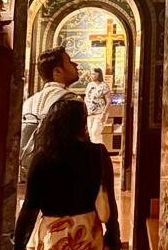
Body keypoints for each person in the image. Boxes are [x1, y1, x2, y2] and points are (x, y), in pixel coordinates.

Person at [14, 98, 121, 250]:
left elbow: (30, 207)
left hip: (53, 234)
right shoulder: (98, 153)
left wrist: (19, 245)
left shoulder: (43, 157)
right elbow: (110, 199)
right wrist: (114, 237)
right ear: (81, 123)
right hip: (87, 233)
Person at [19, 48, 80, 181]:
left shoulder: (28, 102)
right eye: (70, 62)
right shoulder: (72, 101)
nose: (76, 65)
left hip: (31, 175)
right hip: (60, 176)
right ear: (57, 71)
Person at [84, 68, 110, 145]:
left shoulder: (104, 86)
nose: (91, 75)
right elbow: (86, 97)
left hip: (99, 113)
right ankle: (93, 150)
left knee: (95, 133)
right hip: (89, 113)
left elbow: (108, 100)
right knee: (90, 133)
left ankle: (99, 150)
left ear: (98, 75)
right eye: (91, 74)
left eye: (93, 74)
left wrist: (104, 113)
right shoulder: (89, 85)